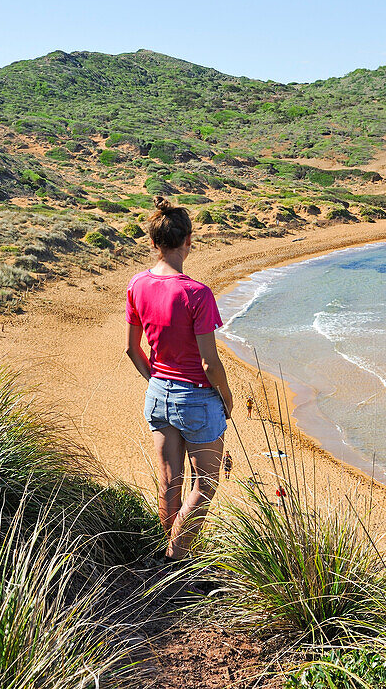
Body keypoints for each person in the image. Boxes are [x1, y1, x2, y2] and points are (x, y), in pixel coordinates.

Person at [125, 197, 234, 560]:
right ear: (188, 241)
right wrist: (228, 398)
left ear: (154, 243)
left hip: (157, 393)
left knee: (170, 481)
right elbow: (209, 363)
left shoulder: (137, 284)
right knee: (205, 485)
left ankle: (164, 555)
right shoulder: (196, 293)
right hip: (198, 399)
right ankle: (177, 557)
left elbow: (132, 349)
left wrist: (156, 381)